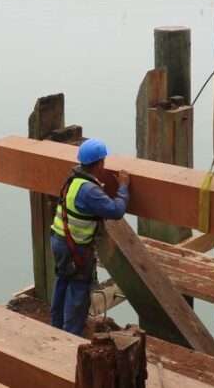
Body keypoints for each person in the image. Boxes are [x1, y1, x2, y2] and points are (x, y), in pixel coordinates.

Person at [49, 138, 130, 336]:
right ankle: (71, 335)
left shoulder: (74, 179)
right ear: (100, 163)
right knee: (78, 289)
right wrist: (123, 187)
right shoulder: (90, 191)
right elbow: (116, 210)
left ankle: (56, 327)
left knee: (62, 280)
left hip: (59, 241)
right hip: (75, 248)